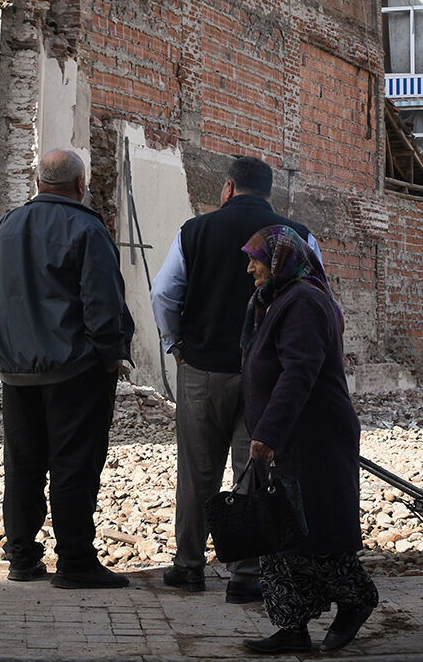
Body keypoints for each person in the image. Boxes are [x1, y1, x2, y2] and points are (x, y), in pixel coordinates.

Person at [150, 156, 320, 604]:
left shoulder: (194, 231)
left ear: (227, 188)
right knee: (253, 468)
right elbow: (317, 296)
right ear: (269, 192)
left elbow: (164, 293)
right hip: (265, 376)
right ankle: (246, 574)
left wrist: (176, 344)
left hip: (203, 369)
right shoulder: (297, 235)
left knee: (196, 472)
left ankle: (189, 566)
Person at [0, 148, 135, 589]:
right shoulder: (87, 228)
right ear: (80, 185)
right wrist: (109, 356)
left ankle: (22, 559)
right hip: (76, 371)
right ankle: (76, 563)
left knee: (23, 465)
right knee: (73, 466)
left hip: (16, 372)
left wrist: (5, 343)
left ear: (37, 181)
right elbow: (103, 305)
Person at [237, 225, 377, 654]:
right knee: (280, 533)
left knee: (314, 534)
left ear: (280, 260)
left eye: (256, 259)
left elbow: (299, 372)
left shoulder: (302, 303)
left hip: (311, 437)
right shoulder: (280, 299)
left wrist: (268, 432)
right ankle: (292, 627)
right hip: (291, 436)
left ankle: (356, 599)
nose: (250, 268)